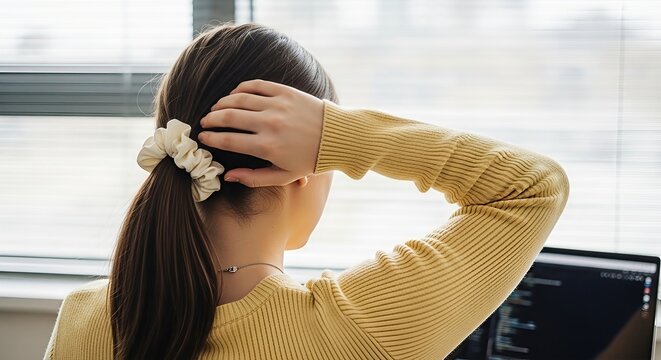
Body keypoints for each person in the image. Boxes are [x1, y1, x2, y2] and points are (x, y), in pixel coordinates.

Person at [43, 22, 569, 360]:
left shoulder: (84, 317)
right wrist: (343, 135)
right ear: (301, 166)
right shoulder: (358, 331)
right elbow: (532, 186)